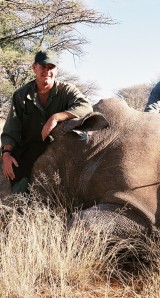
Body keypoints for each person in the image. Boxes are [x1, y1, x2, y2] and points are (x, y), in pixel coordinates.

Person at [1, 50, 93, 194]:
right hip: (29, 149)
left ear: (56, 70)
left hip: (60, 147)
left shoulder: (67, 90)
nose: (47, 71)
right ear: (34, 68)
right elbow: (12, 128)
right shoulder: (20, 95)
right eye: (43, 66)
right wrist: (6, 154)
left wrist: (55, 117)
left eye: (51, 67)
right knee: (19, 187)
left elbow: (86, 107)